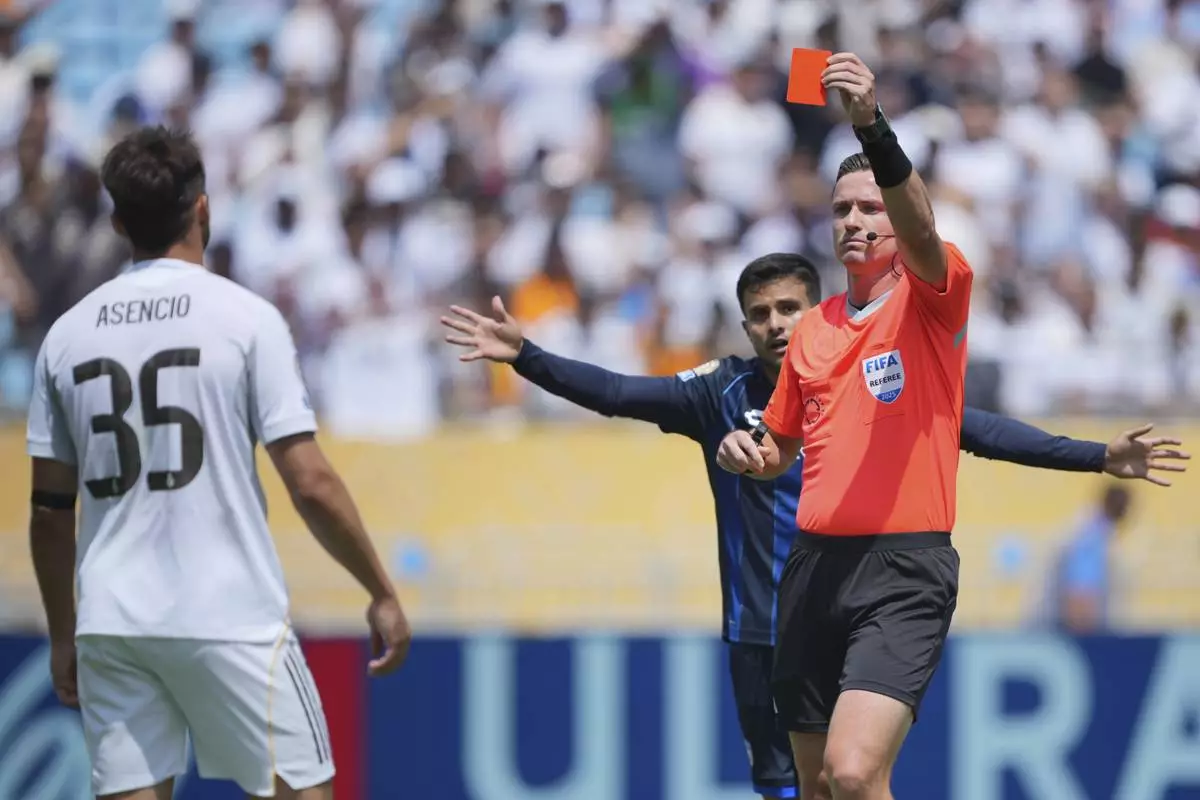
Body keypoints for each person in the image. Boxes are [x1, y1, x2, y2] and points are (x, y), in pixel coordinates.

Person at [440, 255, 1179, 800]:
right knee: (791, 791)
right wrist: (527, 357)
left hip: (850, 610)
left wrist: (1094, 457)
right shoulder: (717, 393)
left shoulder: (864, 373)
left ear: (815, 309)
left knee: (853, 777)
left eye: (788, 309)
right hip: (760, 634)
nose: (774, 326)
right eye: (760, 315)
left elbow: (975, 428)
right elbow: (617, 393)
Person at [713, 54, 1189, 800]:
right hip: (809, 572)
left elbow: (922, 224)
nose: (855, 222)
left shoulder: (932, 298)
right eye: (841, 211)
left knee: (852, 769)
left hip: (902, 572)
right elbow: (781, 449)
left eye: (870, 208)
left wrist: (870, 125)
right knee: (817, 788)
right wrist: (750, 453)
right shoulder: (812, 332)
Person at [25, 126, 411, 800]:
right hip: (230, 612)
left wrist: (65, 635)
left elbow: (50, 512)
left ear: (118, 222)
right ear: (203, 208)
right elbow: (311, 483)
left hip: (113, 619)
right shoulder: (245, 320)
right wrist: (380, 589)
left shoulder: (66, 336)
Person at [1049, 483, 1133, 633]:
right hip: (1082, 618)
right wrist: (1083, 621)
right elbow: (1080, 586)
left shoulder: (1098, 529)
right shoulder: (1091, 533)